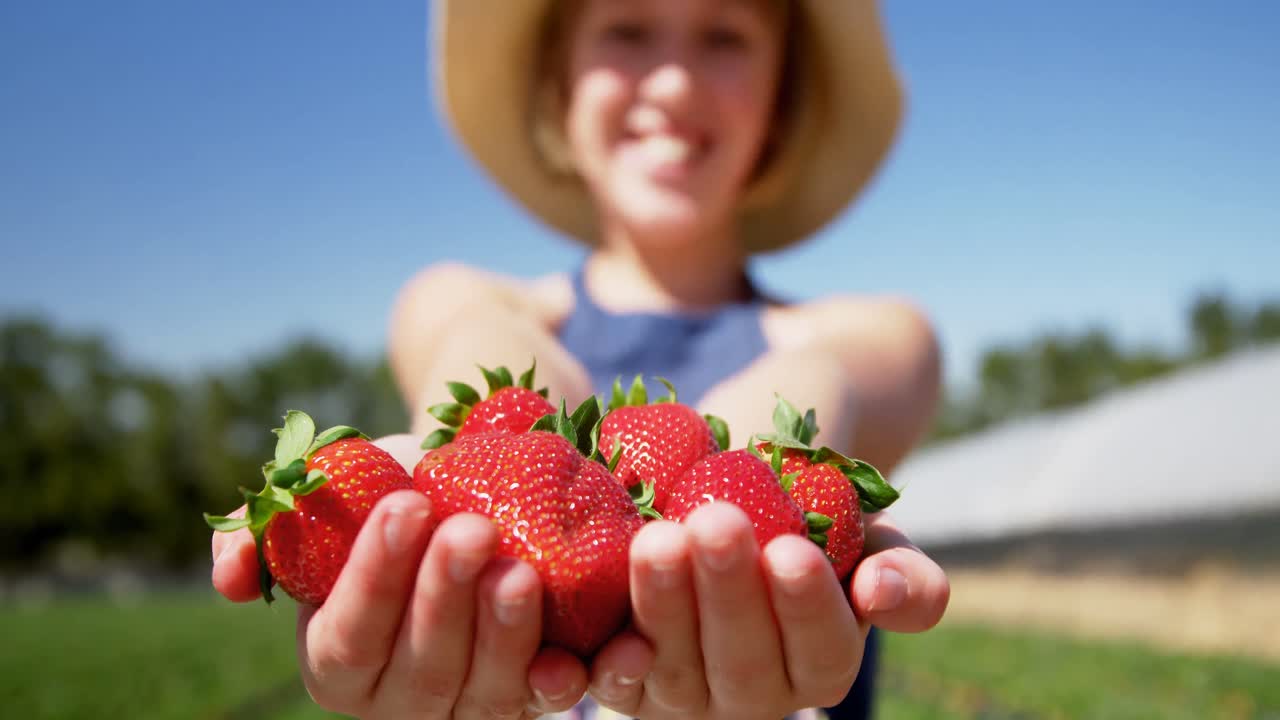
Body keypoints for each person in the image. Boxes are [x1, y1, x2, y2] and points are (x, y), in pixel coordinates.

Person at [210, 0, 951, 717]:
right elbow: (471, 336)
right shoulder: (471, 301)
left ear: (782, 96)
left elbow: (832, 375)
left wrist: (746, 502)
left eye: (725, 36)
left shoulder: (868, 332)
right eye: (626, 30)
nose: (672, 81)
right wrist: (479, 453)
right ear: (558, 87)